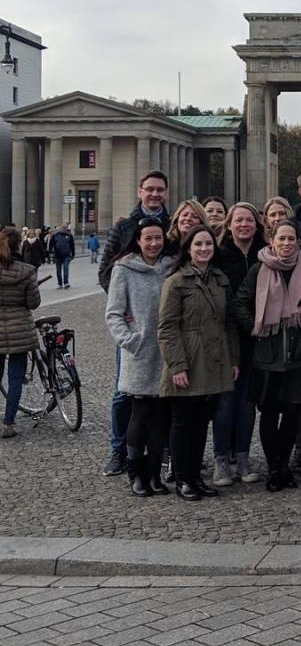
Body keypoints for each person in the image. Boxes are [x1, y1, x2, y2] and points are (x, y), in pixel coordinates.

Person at [236, 220, 301, 491]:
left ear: (298, 241)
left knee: (293, 413)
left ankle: (283, 464)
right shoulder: (258, 270)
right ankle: (274, 468)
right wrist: (256, 326)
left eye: (291, 239)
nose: (286, 243)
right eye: (281, 238)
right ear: (271, 241)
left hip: (298, 356)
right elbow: (240, 302)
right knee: (270, 413)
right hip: (268, 356)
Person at [157, 225, 239, 500]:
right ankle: (183, 479)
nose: (204, 249)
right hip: (189, 360)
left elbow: (229, 323)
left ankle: (195, 476)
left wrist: (233, 359)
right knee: (183, 422)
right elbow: (166, 328)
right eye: (198, 245)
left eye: (208, 244)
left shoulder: (220, 280)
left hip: (214, 359)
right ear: (188, 249)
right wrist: (177, 365)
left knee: (202, 422)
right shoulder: (176, 281)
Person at [98, 170, 171, 478]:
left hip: (167, 329)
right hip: (136, 327)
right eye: (149, 189)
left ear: (166, 193)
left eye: (160, 190)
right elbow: (106, 271)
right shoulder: (124, 227)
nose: (154, 194)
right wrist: (127, 308)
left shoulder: (173, 227)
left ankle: (165, 451)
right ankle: (119, 451)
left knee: (166, 392)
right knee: (123, 392)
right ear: (140, 191)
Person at [211, 203, 266, 485]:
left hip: (257, 338)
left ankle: (242, 456)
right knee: (225, 401)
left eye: (249, 220)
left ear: (257, 224)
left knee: (247, 402)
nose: (244, 225)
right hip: (226, 337)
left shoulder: (266, 254)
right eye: (239, 220)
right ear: (229, 225)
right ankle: (221, 458)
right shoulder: (218, 256)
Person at [0, 231, 41, 439]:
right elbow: (33, 302)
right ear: (19, 246)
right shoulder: (26, 271)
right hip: (20, 331)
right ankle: (8, 423)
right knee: (15, 379)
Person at [48, 224, 75, 289]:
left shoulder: (69, 235)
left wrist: (73, 254)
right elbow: (51, 245)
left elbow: (72, 245)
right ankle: (59, 283)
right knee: (58, 270)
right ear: (60, 228)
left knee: (66, 269)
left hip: (66, 255)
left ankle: (66, 283)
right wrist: (50, 253)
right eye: (63, 228)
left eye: (65, 228)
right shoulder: (55, 236)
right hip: (57, 255)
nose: (64, 229)